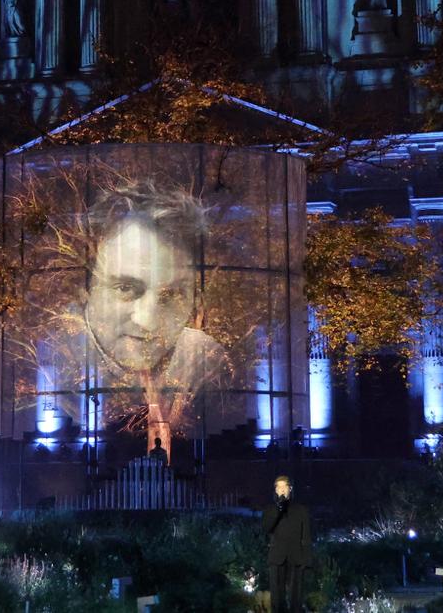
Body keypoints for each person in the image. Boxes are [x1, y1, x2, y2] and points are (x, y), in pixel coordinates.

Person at [82, 186, 231, 448]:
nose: (148, 322)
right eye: (125, 288)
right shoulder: (52, 363)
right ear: (85, 290)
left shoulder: (206, 359)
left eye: (171, 295)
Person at [261, 474, 312, 612]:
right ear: (276, 490)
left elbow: (306, 535)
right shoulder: (270, 509)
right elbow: (266, 528)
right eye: (279, 487)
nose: (282, 490)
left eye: (285, 486)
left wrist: (306, 559)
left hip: (296, 556)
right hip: (277, 556)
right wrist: (278, 509)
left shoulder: (301, 510)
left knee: (296, 596)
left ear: (290, 489)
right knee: (277, 597)